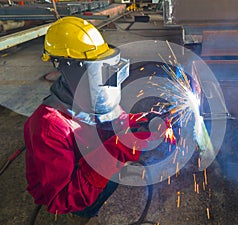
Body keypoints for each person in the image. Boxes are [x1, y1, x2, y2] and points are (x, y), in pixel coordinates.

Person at [24, 16, 168, 222]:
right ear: (70, 66)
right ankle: (87, 211)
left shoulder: (96, 98)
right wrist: (116, 150)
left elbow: (117, 121)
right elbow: (61, 199)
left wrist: (143, 121)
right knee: (112, 172)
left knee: (115, 164)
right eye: (97, 69)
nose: (105, 78)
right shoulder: (49, 125)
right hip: (69, 195)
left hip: (85, 159)